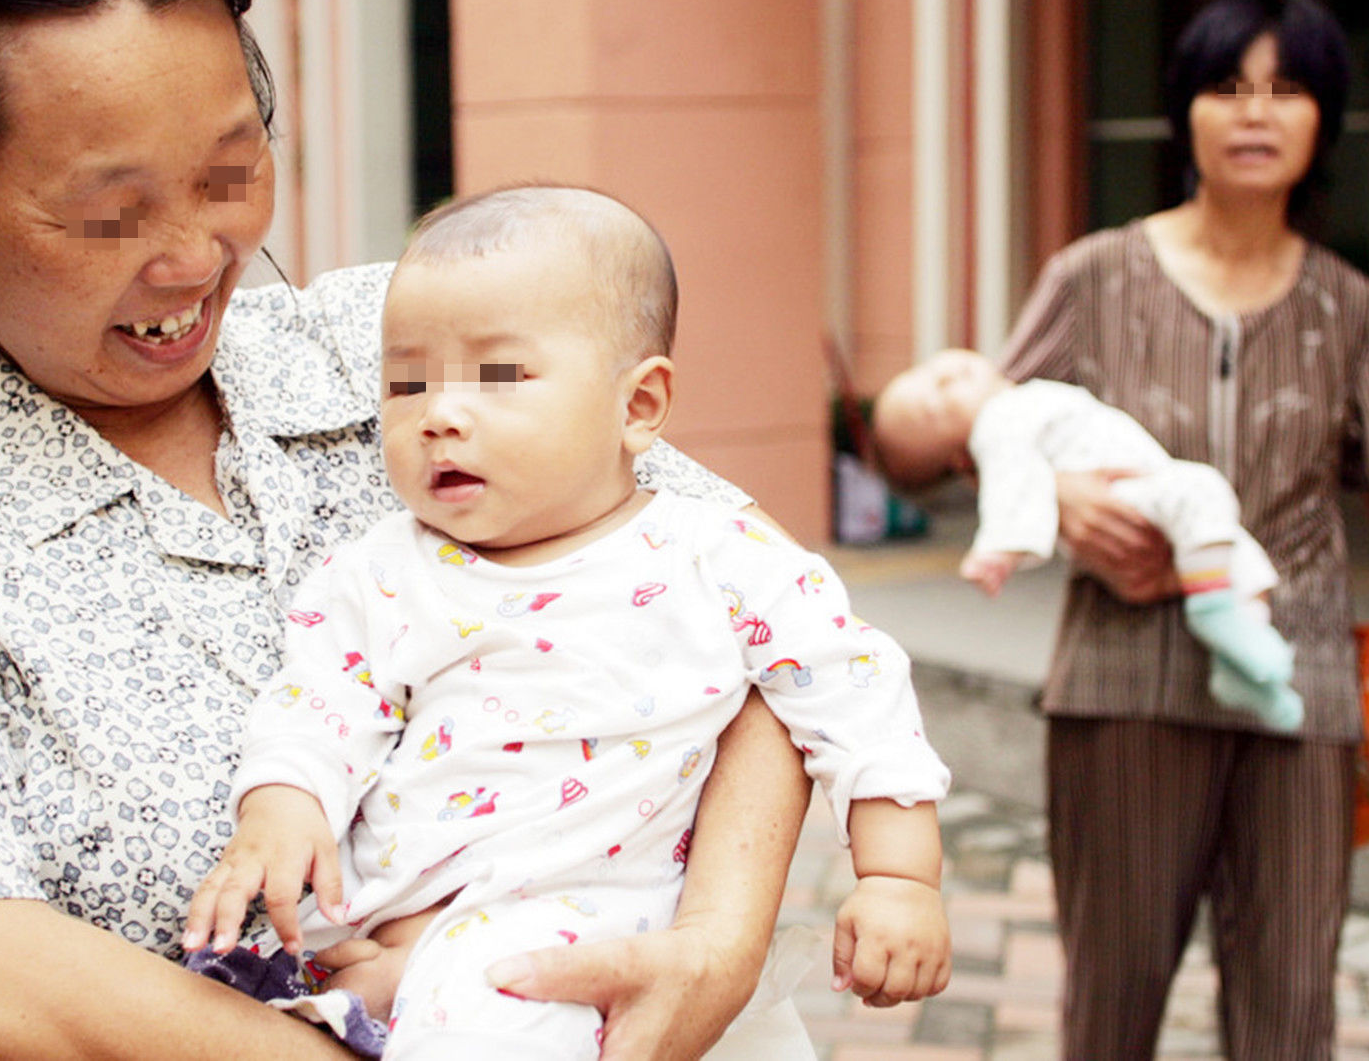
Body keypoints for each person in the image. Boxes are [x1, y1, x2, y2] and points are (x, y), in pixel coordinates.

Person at [0, 0, 813, 1061]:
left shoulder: (399, 348)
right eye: (110, 211)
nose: (195, 255)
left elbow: (764, 611)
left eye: (230, 173)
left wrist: (712, 954)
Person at [183, 186, 953, 1057]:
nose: (439, 413)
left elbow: (857, 696)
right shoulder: (382, 570)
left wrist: (897, 875)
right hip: (405, 925)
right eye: (405, 384)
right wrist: (283, 807)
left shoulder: (720, 558)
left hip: (606, 925)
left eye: (500, 376)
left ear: (638, 407)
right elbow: (319, 705)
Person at [993, 0, 1369, 1058]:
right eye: (1226, 86)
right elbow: (985, 427)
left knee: (1290, 1001)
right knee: (1110, 999)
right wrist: (1057, 503)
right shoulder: (1092, 275)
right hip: (1118, 682)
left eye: (1286, 88)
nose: (1255, 112)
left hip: (1299, 693)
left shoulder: (1352, 307)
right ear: (1183, 114)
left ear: (1322, 119)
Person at [870, 348, 1300, 731]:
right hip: (1124, 494)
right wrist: (997, 552)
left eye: (926, 371)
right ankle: (1213, 612)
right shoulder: (996, 424)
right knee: (1205, 489)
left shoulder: (1020, 398)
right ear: (963, 460)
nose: (944, 380)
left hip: (1145, 484)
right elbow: (1010, 489)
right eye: (935, 406)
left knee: (1242, 556)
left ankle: (1241, 669)